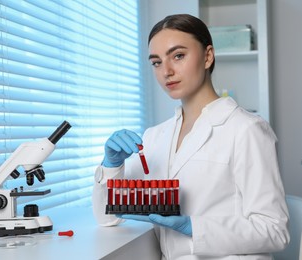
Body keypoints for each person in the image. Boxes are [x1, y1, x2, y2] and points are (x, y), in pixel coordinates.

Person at [93, 14, 290, 259]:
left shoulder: (246, 129)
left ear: (207, 56)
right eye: (156, 62)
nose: (166, 71)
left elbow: (274, 230)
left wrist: (193, 227)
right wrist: (112, 165)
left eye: (178, 56)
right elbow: (108, 217)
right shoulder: (154, 137)